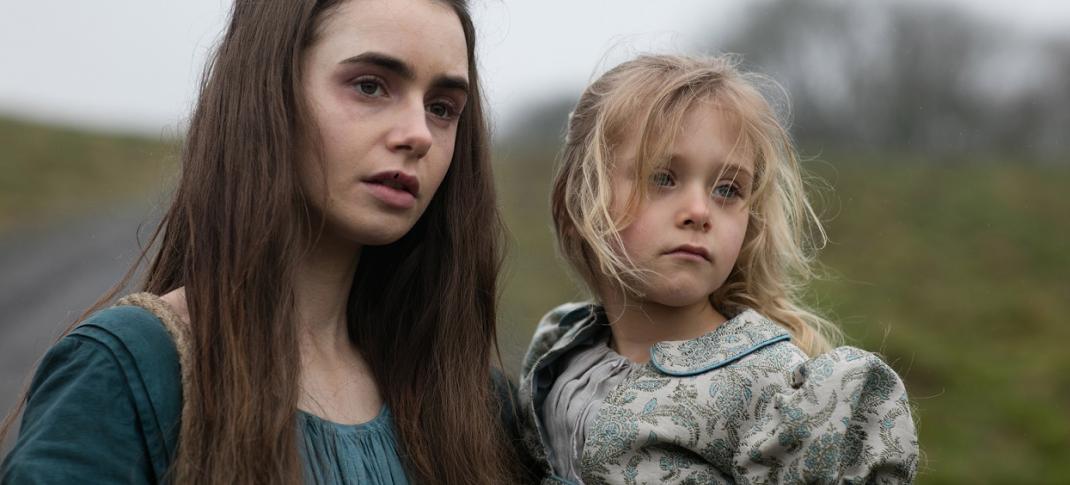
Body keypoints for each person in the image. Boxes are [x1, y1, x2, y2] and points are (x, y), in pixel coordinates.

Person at [0, 0, 526, 483]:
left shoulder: (472, 404)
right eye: (370, 85)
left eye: (443, 107)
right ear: (266, 91)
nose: (419, 134)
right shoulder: (128, 371)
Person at [517, 54, 919, 484]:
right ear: (580, 195)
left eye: (728, 189)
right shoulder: (560, 350)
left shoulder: (774, 389)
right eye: (663, 177)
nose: (698, 211)